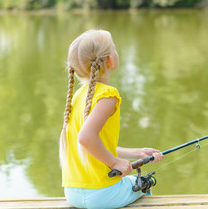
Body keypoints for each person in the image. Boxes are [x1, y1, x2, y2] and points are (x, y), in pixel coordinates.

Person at [59, 29, 164, 209]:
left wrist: (138, 153)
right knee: (146, 185)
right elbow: (85, 138)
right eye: (114, 48)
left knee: (134, 181)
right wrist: (114, 162)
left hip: (73, 193)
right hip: (101, 193)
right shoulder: (108, 95)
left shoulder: (77, 96)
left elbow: (95, 145)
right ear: (110, 59)